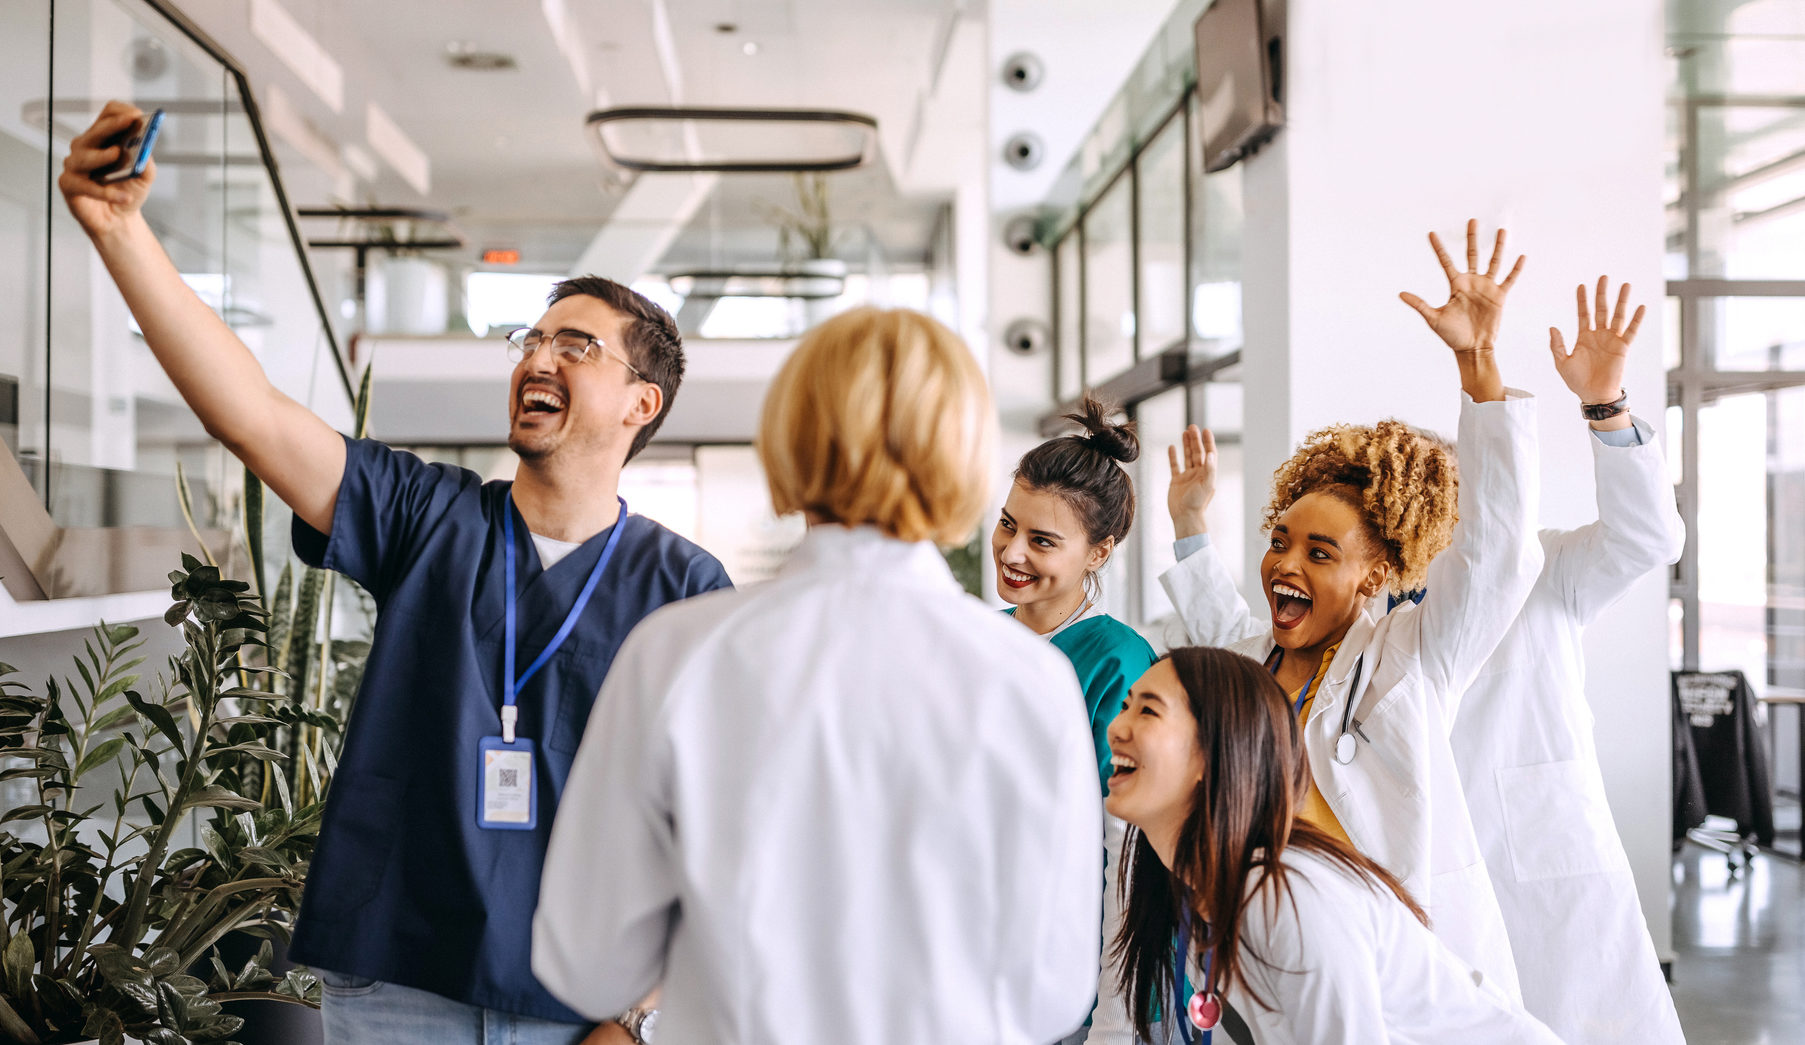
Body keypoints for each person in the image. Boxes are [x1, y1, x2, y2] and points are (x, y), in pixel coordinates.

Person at [60, 101, 729, 1043]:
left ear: (640, 403)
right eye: (529, 341)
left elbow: (718, 818)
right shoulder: (428, 515)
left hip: (581, 1008)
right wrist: (120, 231)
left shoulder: (685, 586)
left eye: (575, 346)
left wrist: (637, 1012)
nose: (538, 357)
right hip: (398, 988)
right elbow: (250, 416)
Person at [533, 307, 1104, 1045]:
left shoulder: (677, 652)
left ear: (789, 435)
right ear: (964, 455)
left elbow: (584, 961)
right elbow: (1053, 991)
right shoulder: (1029, 680)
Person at [1147, 221, 1541, 998]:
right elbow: (1214, 625)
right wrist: (1190, 521)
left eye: (1320, 553)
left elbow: (1495, 552)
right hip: (1284, 961)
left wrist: (1478, 368)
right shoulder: (1254, 656)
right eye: (1280, 540)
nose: (1284, 565)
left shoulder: (1410, 656)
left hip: (1403, 972)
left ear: (1375, 574)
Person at [1097, 647, 1563, 1045]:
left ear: (1213, 751)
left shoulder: (1284, 892)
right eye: (1124, 706)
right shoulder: (1194, 891)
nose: (1116, 728)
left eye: (1148, 711)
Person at [1445, 277, 1684, 1043]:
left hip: (1549, 860)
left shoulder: (1550, 567)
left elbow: (1646, 537)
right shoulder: (1384, 597)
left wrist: (1604, 406)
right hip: (1438, 867)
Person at [993, 396, 1159, 789]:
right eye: (1007, 524)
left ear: (1098, 552)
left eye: (1043, 542)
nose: (1012, 552)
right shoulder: (983, 636)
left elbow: (1120, 816)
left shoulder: (1119, 662)